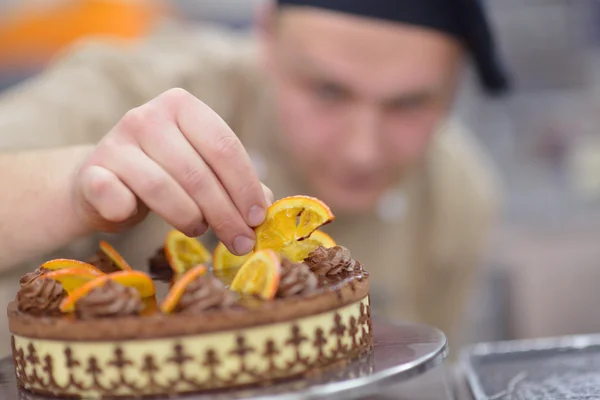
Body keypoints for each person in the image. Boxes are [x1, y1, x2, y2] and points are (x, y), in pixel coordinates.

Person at [0, 0, 506, 354]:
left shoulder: (458, 195)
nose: (362, 150)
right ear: (266, 36)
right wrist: (71, 190)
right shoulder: (131, 88)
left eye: (409, 104)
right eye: (327, 91)